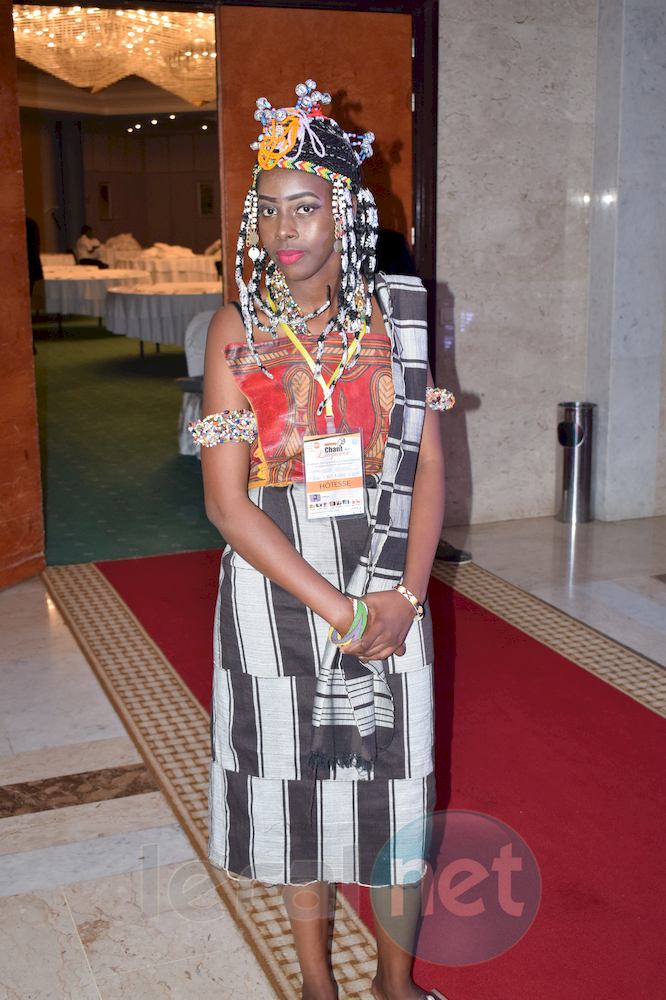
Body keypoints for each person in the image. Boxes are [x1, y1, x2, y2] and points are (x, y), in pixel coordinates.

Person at [190, 80, 454, 1000]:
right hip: (276, 590)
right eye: (268, 211)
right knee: (295, 795)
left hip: (388, 582)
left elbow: (425, 471)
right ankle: (315, 983)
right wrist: (340, 608)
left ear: (345, 214)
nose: (284, 229)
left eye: (305, 208)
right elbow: (228, 505)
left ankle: (394, 982)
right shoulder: (236, 331)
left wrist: (405, 597)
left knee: (394, 794)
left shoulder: (401, 323)